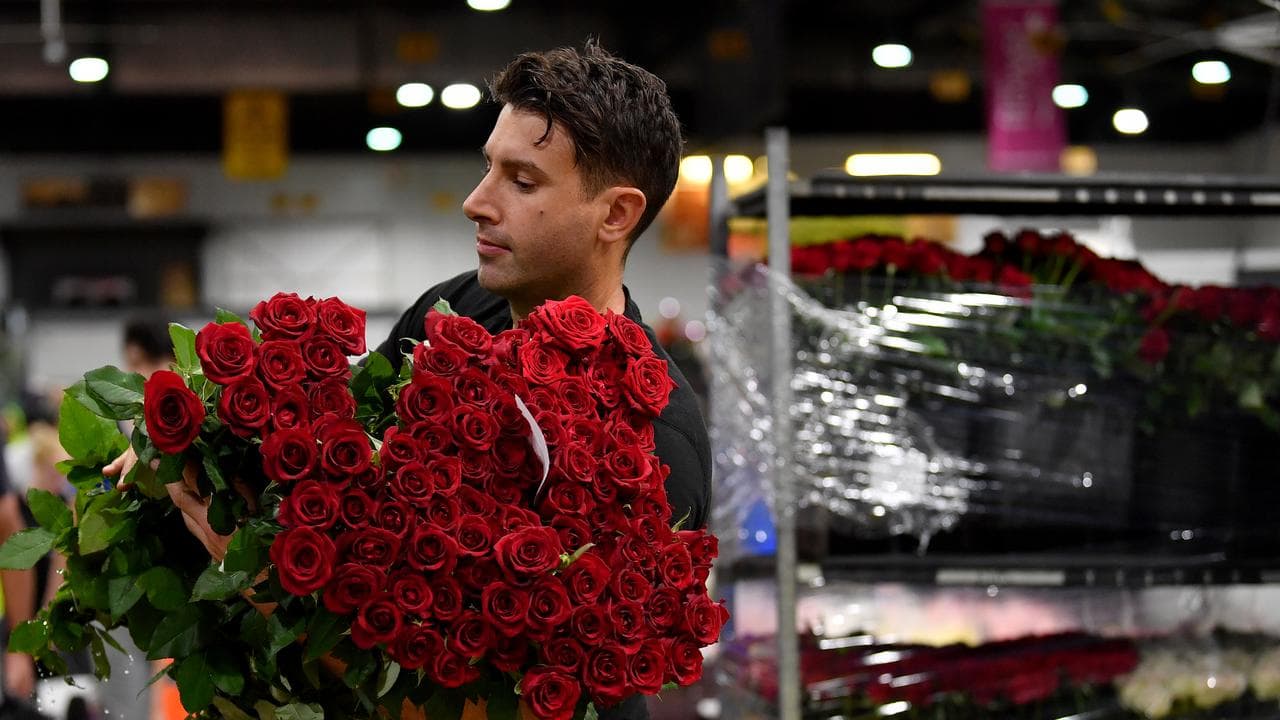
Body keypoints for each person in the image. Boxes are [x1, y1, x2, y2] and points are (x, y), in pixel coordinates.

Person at [109, 41, 712, 720]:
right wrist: (201, 440)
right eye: (488, 167)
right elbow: (341, 476)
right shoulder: (455, 310)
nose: (475, 202)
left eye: (522, 181)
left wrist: (273, 593)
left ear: (616, 215)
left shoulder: (656, 447)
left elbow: (495, 709)